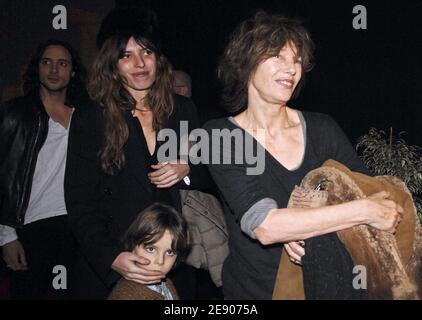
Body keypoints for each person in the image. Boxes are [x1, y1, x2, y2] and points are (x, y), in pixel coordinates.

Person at [203, 11, 403, 299]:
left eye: (297, 61)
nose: (291, 69)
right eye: (278, 57)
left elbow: (373, 194)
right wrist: (364, 211)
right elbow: (266, 226)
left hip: (332, 287)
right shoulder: (219, 137)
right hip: (258, 291)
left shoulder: (323, 128)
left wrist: (307, 220)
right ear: (246, 64)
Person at [64, 7, 207, 299]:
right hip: (111, 262)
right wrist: (112, 257)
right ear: (112, 64)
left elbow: (208, 175)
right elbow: (79, 202)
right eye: (126, 55)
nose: (139, 63)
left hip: (170, 262)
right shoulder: (92, 117)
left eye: (146, 52)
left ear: (159, 58)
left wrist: (188, 168)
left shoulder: (183, 110)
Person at [0, 39, 88, 299]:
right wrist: (6, 236)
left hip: (78, 224)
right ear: (37, 68)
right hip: (33, 225)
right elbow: (5, 176)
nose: (54, 70)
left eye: (62, 63)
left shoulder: (85, 116)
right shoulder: (16, 113)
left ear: (72, 72)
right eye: (47, 62)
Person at [108, 203, 189, 300]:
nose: (160, 261)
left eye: (169, 252)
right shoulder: (125, 294)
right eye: (151, 249)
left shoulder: (167, 283)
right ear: (132, 246)